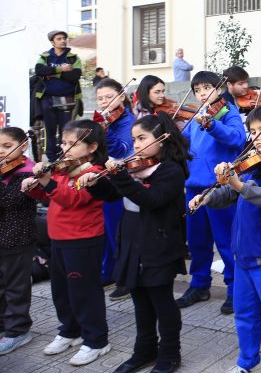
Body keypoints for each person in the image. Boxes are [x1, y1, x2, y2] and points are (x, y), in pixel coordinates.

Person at [189, 104, 261, 373]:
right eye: (252, 131)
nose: (256, 136)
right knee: (245, 316)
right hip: (243, 256)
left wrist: (238, 184)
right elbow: (229, 194)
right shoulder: (253, 163)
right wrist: (207, 197)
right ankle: (248, 363)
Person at [80, 113, 190, 373]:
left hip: (159, 243)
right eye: (134, 139)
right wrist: (94, 184)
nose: (137, 145)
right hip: (132, 240)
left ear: (161, 140)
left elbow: (150, 199)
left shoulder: (171, 170)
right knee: (140, 300)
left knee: (162, 301)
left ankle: (170, 353)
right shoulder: (135, 167)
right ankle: (144, 350)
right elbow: (110, 195)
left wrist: (121, 177)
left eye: (142, 138)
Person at [21, 120, 112, 366]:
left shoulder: (92, 173)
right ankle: (70, 330)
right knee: (60, 289)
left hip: (83, 239)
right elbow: (50, 195)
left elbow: (72, 199)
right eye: (64, 142)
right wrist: (34, 187)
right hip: (58, 238)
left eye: (73, 144)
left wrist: (47, 182)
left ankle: (96, 340)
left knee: (85, 292)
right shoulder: (62, 169)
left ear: (92, 147)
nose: (66, 148)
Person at [178, 71, 245, 314]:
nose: (202, 93)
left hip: (219, 188)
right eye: (197, 89)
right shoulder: (198, 114)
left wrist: (212, 124)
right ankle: (199, 284)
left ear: (219, 88)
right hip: (194, 187)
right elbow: (183, 143)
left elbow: (238, 138)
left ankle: (235, 288)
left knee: (226, 242)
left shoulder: (226, 112)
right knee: (197, 241)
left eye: (207, 88)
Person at [94, 78, 136, 301]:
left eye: (109, 97)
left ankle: (126, 278)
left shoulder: (128, 121)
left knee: (119, 233)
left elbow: (121, 151)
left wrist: (105, 132)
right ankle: (108, 272)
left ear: (122, 97)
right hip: (106, 181)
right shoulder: (106, 122)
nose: (104, 102)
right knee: (107, 231)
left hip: (122, 182)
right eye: (100, 98)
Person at [0, 127, 37, 356]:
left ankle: (18, 330)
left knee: (15, 286)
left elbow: (8, 201)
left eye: (6, 146)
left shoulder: (27, 172)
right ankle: (3, 324)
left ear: (23, 146)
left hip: (18, 237)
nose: (1, 151)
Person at [34, 30, 83, 160]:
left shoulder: (73, 57)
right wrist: (61, 69)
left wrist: (52, 73)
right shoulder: (45, 57)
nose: (63, 41)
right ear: (52, 42)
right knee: (49, 130)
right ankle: (51, 158)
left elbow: (74, 76)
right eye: (59, 39)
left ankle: (65, 157)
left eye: (64, 38)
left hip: (67, 99)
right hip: (47, 99)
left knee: (66, 130)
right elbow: (39, 70)